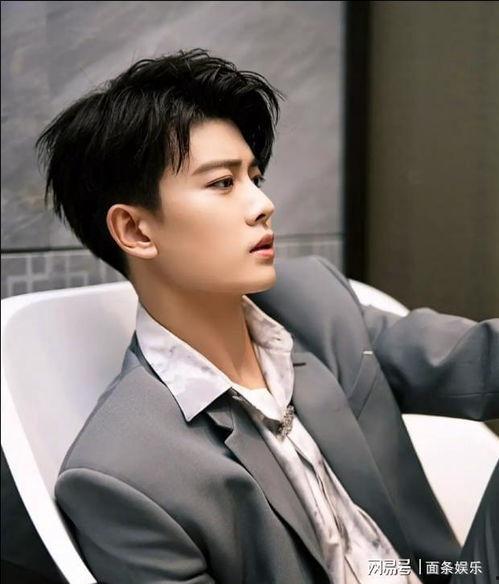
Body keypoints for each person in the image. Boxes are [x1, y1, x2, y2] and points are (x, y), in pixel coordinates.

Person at [35, 48, 498, 584]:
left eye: (254, 177)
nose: (262, 204)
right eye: (222, 183)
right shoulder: (120, 474)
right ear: (136, 231)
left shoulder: (313, 303)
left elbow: (475, 361)